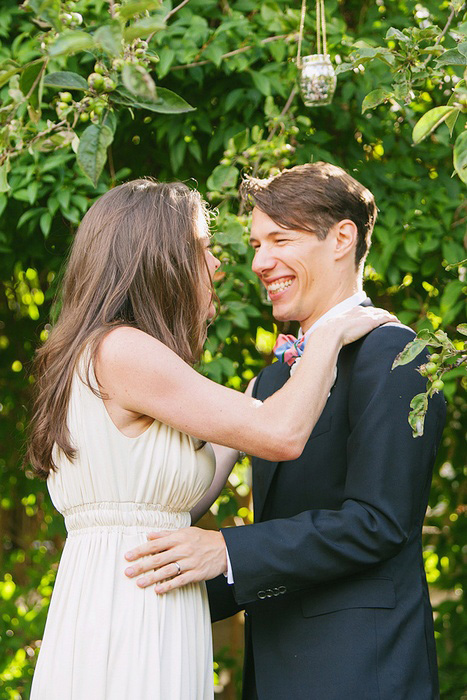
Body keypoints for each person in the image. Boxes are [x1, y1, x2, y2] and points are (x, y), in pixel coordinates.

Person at [26, 178, 391, 700]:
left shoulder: (106, 352)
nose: (219, 265)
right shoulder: (124, 349)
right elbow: (283, 435)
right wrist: (330, 335)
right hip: (132, 611)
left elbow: (183, 493)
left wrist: (248, 408)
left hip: (144, 588)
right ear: (160, 259)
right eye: (202, 248)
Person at [125, 164, 446, 700]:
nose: (259, 262)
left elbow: (380, 522)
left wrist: (227, 550)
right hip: (274, 673)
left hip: (362, 671)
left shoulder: (397, 355)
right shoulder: (273, 381)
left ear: (342, 238)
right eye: (254, 244)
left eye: (279, 239)